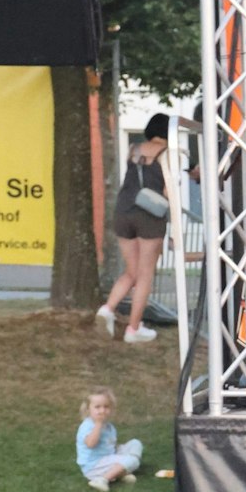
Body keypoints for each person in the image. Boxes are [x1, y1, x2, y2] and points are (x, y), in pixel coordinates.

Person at [97, 114, 173, 344]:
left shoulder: (134, 148)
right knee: (145, 274)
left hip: (123, 211)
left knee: (132, 271)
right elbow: (169, 191)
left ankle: (107, 310)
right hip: (149, 216)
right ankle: (133, 329)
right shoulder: (168, 153)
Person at [76, 387, 143, 492]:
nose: (102, 410)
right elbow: (90, 444)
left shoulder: (109, 426)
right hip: (94, 465)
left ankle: (119, 473)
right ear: (88, 409)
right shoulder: (87, 426)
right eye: (97, 407)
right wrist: (98, 425)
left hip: (106, 458)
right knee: (133, 461)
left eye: (106, 407)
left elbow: (110, 444)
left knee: (135, 443)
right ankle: (102, 480)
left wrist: (119, 451)